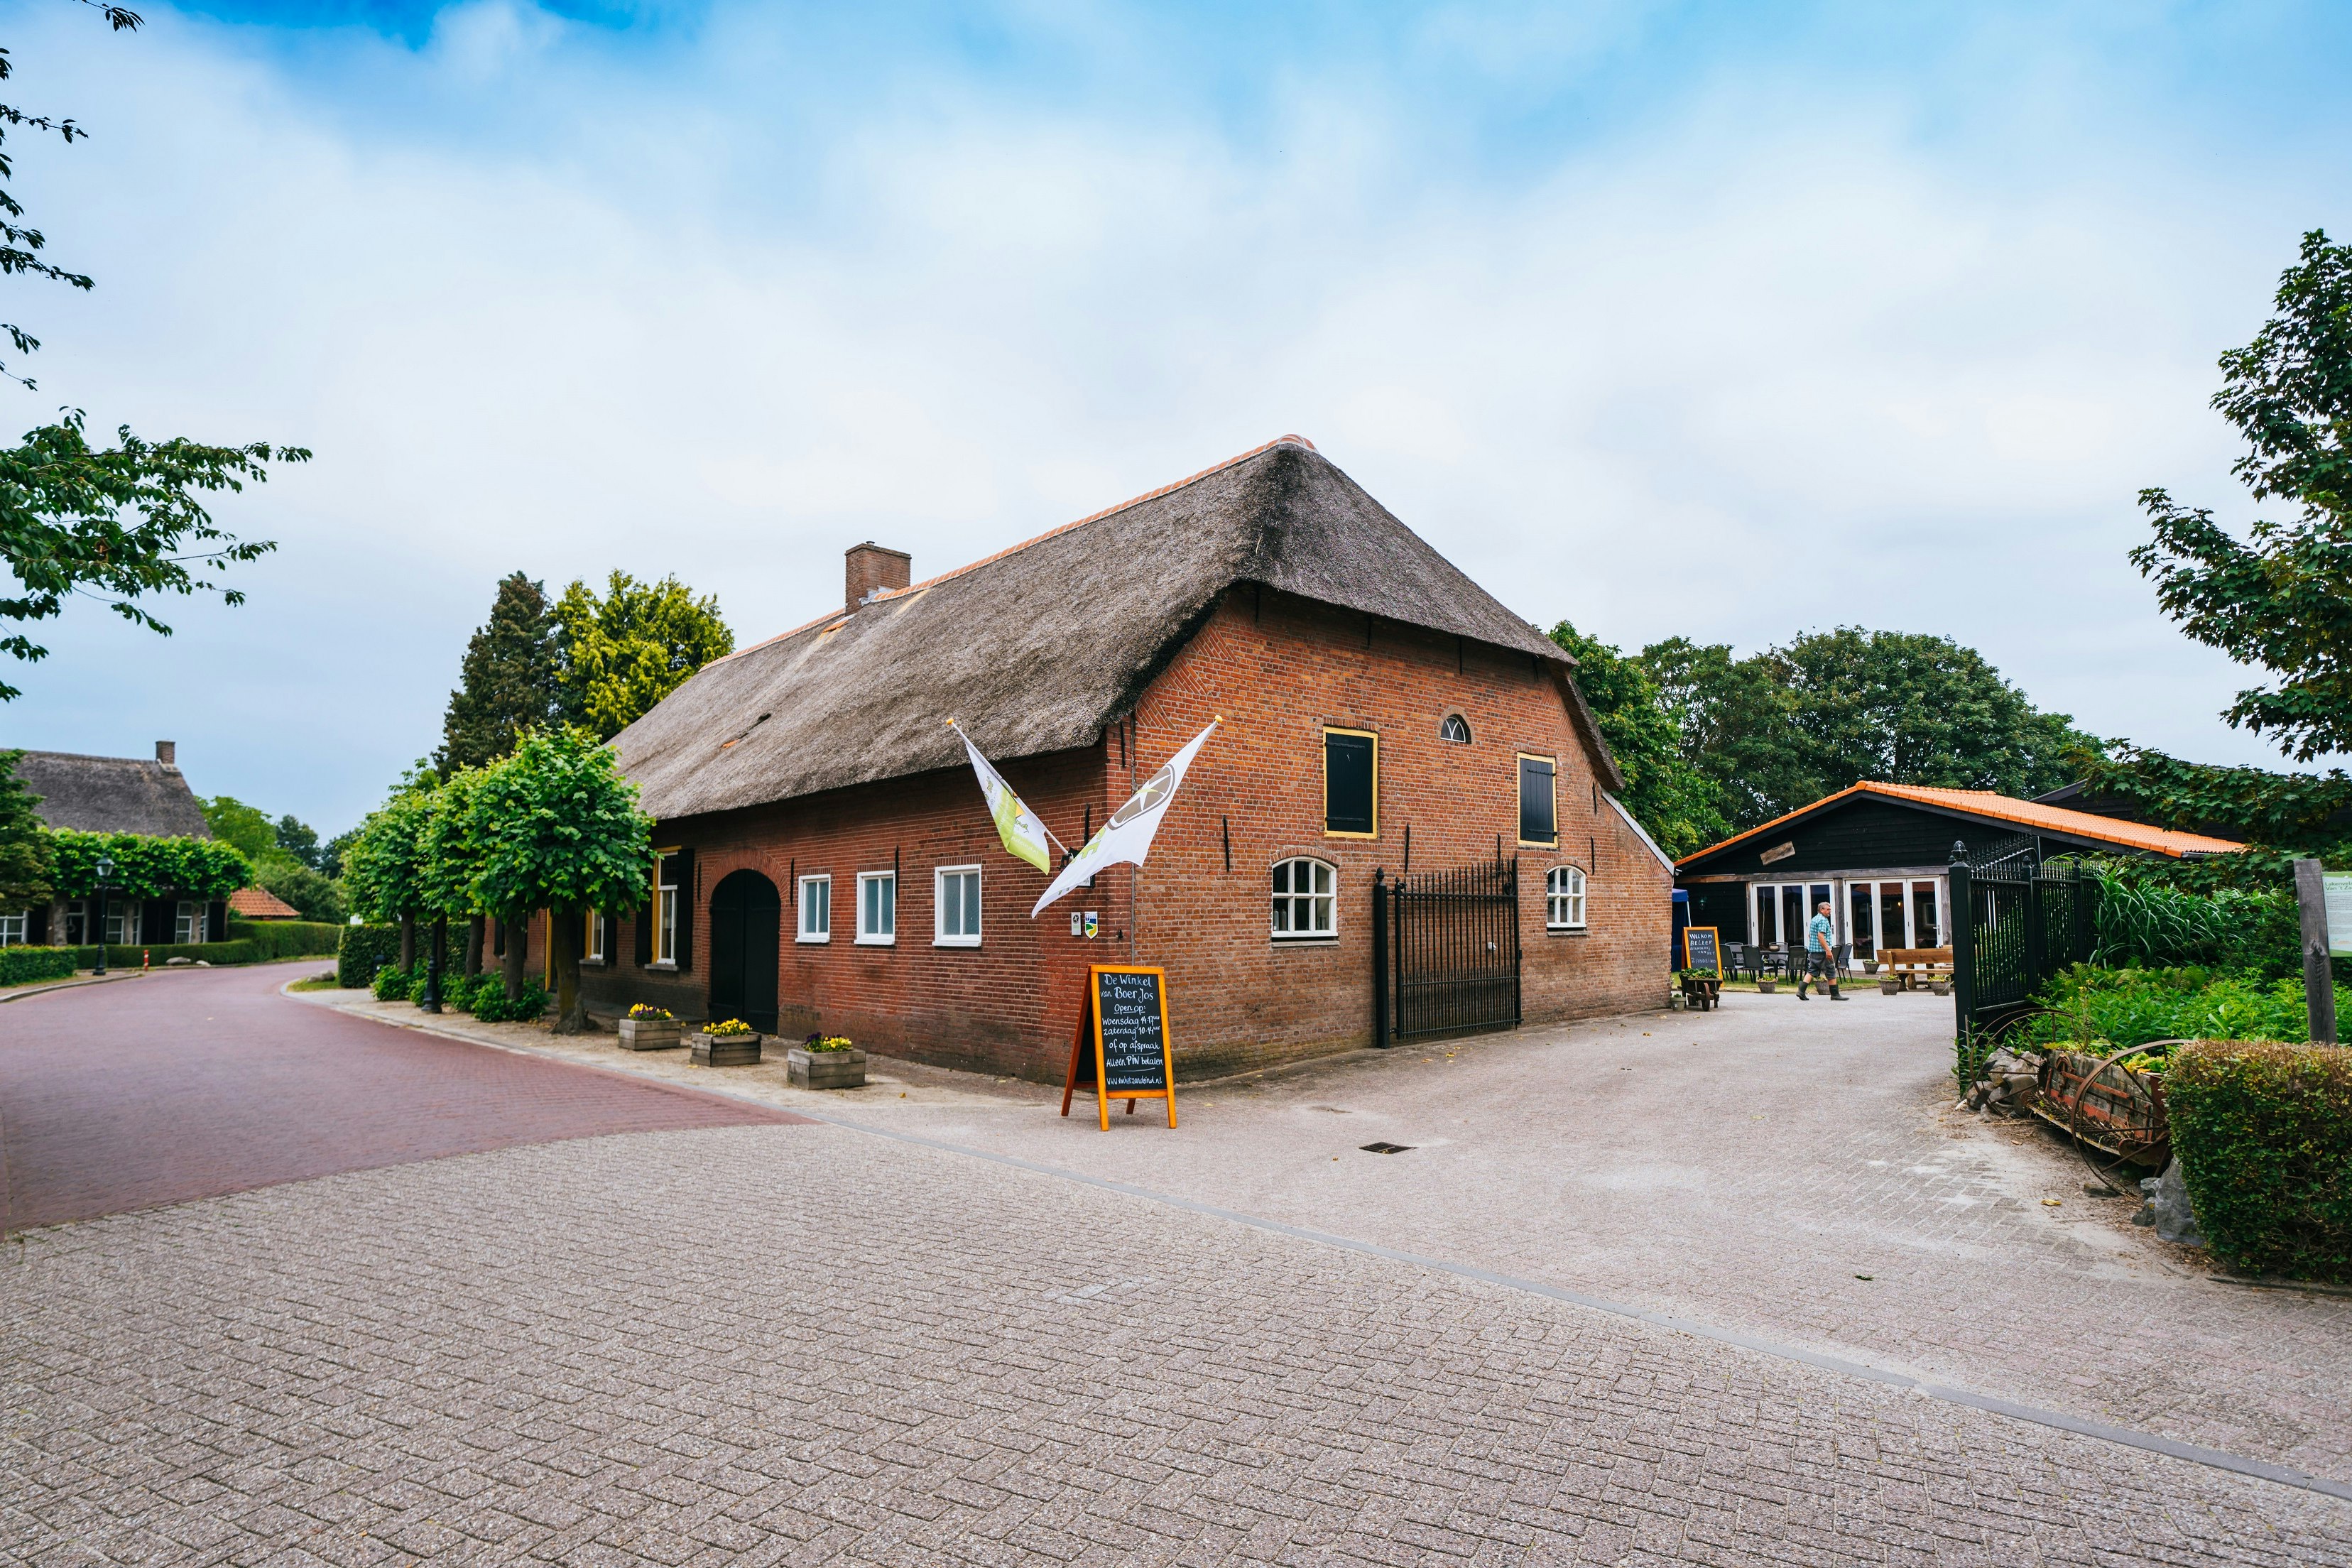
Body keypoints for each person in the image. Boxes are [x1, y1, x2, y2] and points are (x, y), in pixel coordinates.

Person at [1798, 899, 1844, 1001]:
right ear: (1822, 909)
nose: (1829, 911)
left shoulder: (1814, 919)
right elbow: (1820, 936)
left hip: (1814, 951)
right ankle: (1835, 995)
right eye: (1828, 909)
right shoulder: (1823, 920)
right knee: (1831, 971)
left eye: (1830, 909)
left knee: (1812, 971)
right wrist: (1828, 950)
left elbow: (1811, 935)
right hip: (1822, 952)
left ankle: (1801, 991)